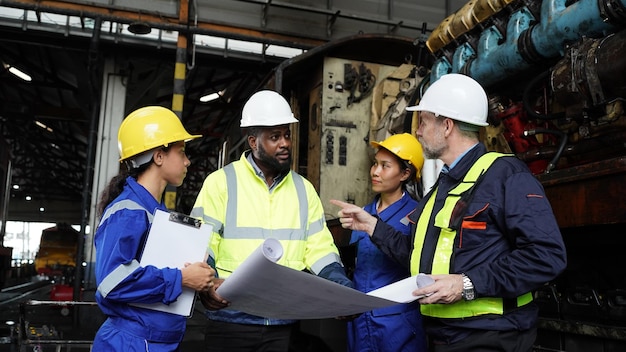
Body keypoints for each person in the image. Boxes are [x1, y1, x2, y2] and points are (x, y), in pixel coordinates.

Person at [331, 73, 567, 352]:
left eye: (424, 122)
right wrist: (373, 226)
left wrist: (467, 284)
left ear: (446, 126)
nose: (417, 131)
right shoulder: (441, 188)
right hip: (444, 337)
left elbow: (546, 256)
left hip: (490, 337)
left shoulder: (506, 176)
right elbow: (417, 256)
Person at [191, 89, 353, 352]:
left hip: (283, 324)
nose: (285, 143)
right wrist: (206, 285)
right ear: (253, 142)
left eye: (287, 134)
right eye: (275, 137)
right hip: (230, 320)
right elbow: (202, 244)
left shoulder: (304, 189)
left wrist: (341, 287)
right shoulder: (221, 183)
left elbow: (320, 250)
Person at [93, 106, 216, 352]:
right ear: (159, 157)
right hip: (131, 344)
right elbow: (111, 281)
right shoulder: (129, 212)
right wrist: (181, 278)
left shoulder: (156, 212)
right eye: (181, 152)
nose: (187, 161)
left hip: (153, 342)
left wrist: (204, 282)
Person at [347, 133, 427, 352]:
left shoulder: (416, 216)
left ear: (405, 173)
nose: (375, 171)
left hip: (397, 326)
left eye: (385, 166)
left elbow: (418, 264)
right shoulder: (363, 213)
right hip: (360, 321)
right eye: (375, 164)